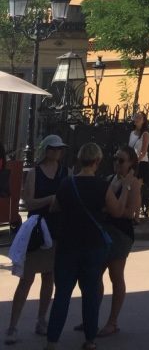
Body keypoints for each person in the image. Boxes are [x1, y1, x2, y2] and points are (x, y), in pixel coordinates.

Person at [44, 142, 132, 350]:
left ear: (79, 160)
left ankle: (52, 341)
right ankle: (90, 340)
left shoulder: (67, 183)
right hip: (93, 246)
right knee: (90, 294)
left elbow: (55, 207)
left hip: (67, 246)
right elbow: (118, 211)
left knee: (62, 295)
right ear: (97, 161)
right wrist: (127, 187)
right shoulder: (102, 186)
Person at [5, 135, 68, 345]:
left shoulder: (63, 172)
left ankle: (42, 319)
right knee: (27, 279)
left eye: (60, 149)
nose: (58, 152)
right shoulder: (34, 172)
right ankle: (13, 326)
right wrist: (49, 200)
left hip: (56, 229)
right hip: (37, 230)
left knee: (49, 277)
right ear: (46, 150)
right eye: (55, 149)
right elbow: (29, 202)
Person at [97, 146, 142, 336]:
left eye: (121, 160)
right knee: (94, 274)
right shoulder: (109, 179)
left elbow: (130, 212)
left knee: (116, 276)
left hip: (120, 233)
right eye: (115, 158)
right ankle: (90, 315)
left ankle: (112, 321)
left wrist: (111, 210)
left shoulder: (133, 183)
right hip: (103, 232)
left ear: (131, 163)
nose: (117, 162)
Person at [128, 112, 149, 220]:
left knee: (137, 190)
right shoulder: (132, 133)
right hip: (132, 163)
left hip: (141, 164)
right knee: (131, 190)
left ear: (143, 121)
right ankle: (131, 213)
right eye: (135, 117)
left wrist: (135, 161)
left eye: (139, 118)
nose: (137, 119)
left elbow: (143, 151)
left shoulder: (145, 134)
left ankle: (136, 216)